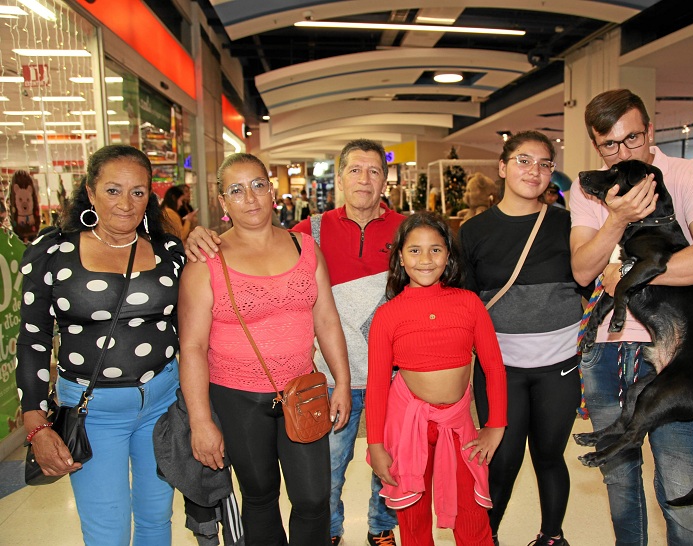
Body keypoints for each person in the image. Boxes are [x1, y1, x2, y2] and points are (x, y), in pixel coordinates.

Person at [186, 139, 403, 546]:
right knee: (261, 496)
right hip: (237, 397)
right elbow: (193, 347)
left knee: (314, 497)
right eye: (236, 190)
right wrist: (201, 420)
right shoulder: (207, 260)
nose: (249, 198)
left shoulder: (304, 246)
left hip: (303, 391)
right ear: (222, 201)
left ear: (272, 190)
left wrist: (339, 381)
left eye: (257, 185)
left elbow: (326, 319)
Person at [568, 88, 693, 546]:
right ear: (596, 145)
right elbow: (583, 269)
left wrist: (624, 273)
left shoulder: (686, 174)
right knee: (619, 483)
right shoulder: (596, 189)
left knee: (682, 489)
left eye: (632, 139)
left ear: (650, 130)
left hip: (679, 351)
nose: (623, 152)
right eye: (609, 145)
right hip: (605, 352)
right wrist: (617, 219)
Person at [17, 145, 186, 545]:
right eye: (113, 190)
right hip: (92, 414)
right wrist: (36, 423)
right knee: (106, 531)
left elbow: (193, 331)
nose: (126, 204)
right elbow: (33, 340)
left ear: (150, 197)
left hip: (162, 405)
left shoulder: (169, 252)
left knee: (156, 519)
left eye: (138, 192)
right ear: (90, 192)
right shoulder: (52, 252)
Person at [459, 130, 587, 546]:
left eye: (545, 163)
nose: (534, 171)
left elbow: (588, 282)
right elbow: (468, 304)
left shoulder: (568, 224)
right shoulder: (473, 231)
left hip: (560, 365)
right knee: (502, 460)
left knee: (550, 457)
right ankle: (487, 537)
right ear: (502, 167)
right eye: (523, 160)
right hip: (501, 368)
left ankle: (552, 536)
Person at [366, 211, 507, 546]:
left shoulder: (469, 304)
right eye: (414, 250)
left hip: (459, 427)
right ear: (400, 256)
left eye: (435, 249)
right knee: (414, 524)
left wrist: (496, 425)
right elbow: (376, 385)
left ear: (448, 255)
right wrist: (376, 444)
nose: (425, 259)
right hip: (407, 429)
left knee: (473, 518)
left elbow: (494, 367)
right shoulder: (387, 315)